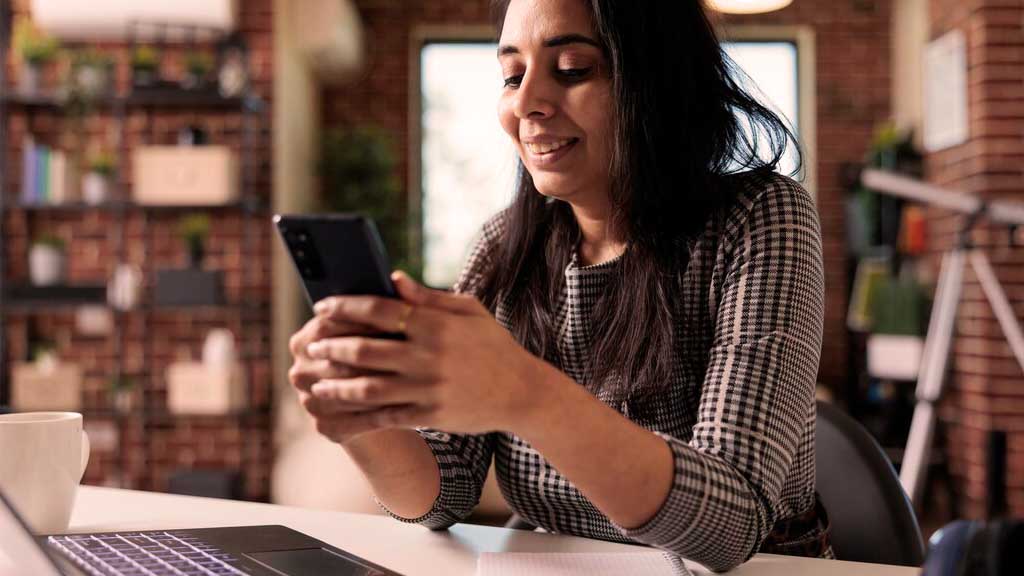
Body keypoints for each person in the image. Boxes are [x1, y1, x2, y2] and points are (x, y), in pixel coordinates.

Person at [288, 0, 828, 571]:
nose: (525, 104)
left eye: (571, 68)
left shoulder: (762, 217)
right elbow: (443, 493)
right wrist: (361, 419)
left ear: (658, 80)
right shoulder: (504, 245)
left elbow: (729, 524)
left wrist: (525, 393)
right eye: (511, 75)